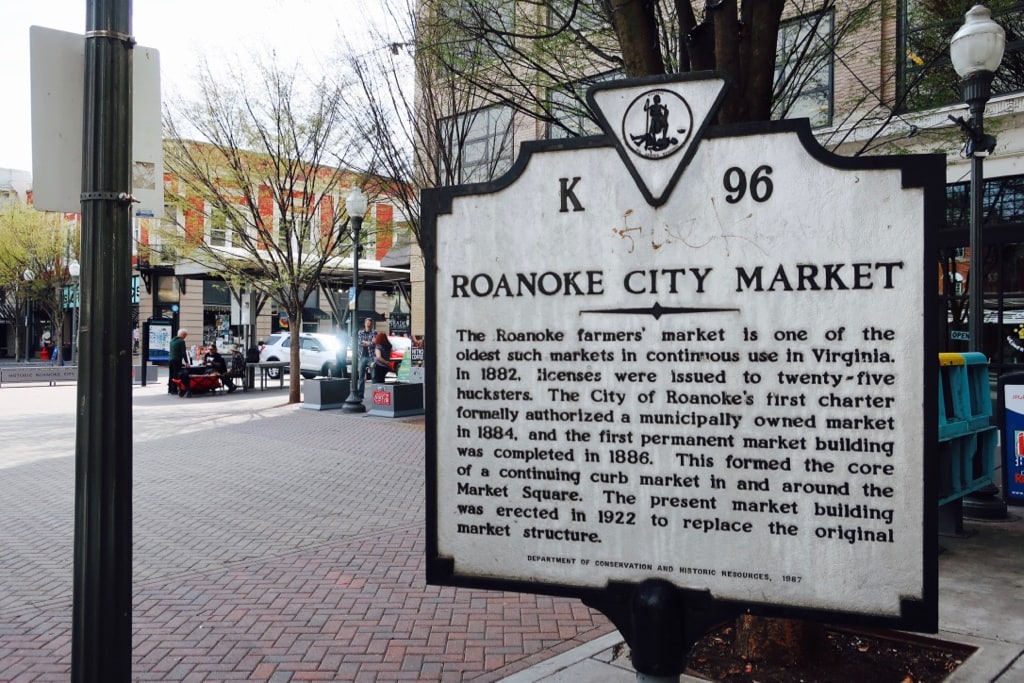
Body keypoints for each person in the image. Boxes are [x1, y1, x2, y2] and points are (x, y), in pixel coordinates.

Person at [356, 317, 376, 398]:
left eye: (370, 324)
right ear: (365, 324)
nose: (369, 325)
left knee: (374, 376)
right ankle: (360, 395)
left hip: (371, 357)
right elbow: (360, 343)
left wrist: (367, 342)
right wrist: (369, 342)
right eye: (367, 324)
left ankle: (375, 394)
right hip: (362, 357)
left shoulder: (374, 332)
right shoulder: (360, 332)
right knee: (361, 377)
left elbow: (374, 344)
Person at [168, 328, 188, 394]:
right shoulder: (181, 341)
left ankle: (170, 389)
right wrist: (187, 362)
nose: (185, 337)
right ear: (182, 334)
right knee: (176, 375)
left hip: (171, 360)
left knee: (171, 374)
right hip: (177, 360)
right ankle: (174, 390)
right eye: (185, 335)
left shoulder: (172, 341)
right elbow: (183, 353)